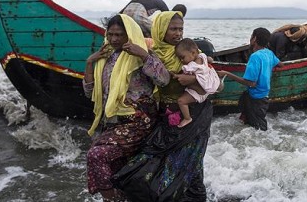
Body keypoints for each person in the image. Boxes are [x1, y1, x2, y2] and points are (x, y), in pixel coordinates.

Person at [112, 11, 212, 201]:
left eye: (180, 29)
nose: (178, 33)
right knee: (159, 157)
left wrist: (193, 78)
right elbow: (161, 80)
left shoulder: (190, 53)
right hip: (168, 113)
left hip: (196, 113)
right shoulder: (152, 54)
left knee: (192, 159)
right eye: (173, 29)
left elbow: (215, 83)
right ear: (160, 29)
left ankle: (194, 196)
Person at [83, 14, 170, 201]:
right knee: (116, 170)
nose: (114, 39)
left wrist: (143, 54)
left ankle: (112, 199)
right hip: (113, 122)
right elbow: (90, 93)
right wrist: (90, 63)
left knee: (96, 155)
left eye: (119, 35)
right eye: (111, 34)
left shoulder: (140, 56)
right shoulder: (105, 58)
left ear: (129, 34)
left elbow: (164, 79)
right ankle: (120, 196)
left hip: (138, 122)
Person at [217, 28, 281, 131]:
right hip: (263, 96)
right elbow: (280, 64)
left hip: (256, 98)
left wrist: (227, 73)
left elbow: (251, 83)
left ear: (254, 39)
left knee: (259, 129)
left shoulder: (255, 57)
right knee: (250, 117)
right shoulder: (269, 53)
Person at [175, 38, 221, 128]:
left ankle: (187, 118)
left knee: (181, 101)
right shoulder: (202, 56)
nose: (181, 61)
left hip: (197, 93)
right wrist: (209, 60)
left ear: (193, 53)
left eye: (182, 57)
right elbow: (210, 59)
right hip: (207, 88)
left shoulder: (191, 66)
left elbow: (183, 71)